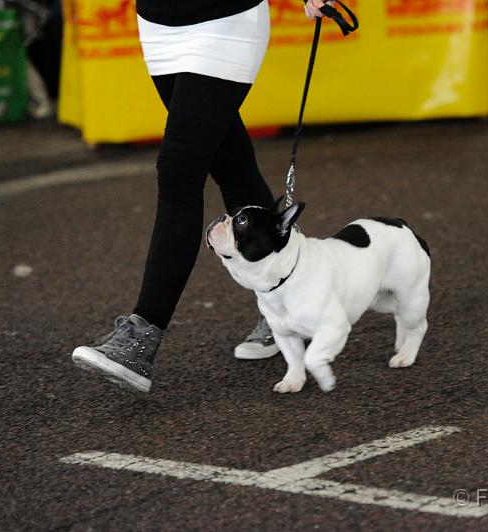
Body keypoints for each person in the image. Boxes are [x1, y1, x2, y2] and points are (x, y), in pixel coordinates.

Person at [71, 0, 332, 393]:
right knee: (231, 165)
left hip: (225, 19)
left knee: (178, 172)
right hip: (158, 23)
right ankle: (293, 300)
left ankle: (142, 336)